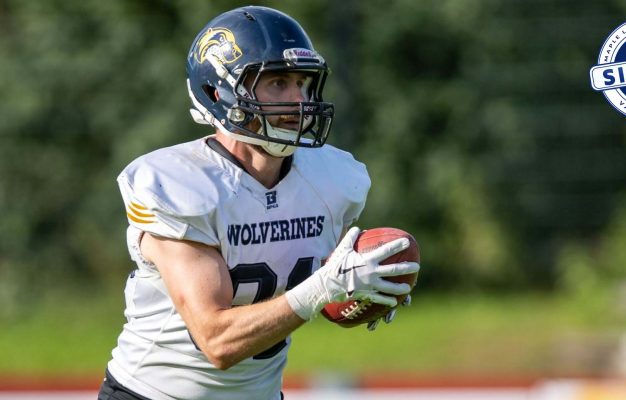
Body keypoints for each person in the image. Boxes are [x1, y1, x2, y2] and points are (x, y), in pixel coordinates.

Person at [98, 6, 420, 400]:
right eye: (278, 83)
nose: (299, 101)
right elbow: (217, 341)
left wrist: (362, 286)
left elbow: (323, 281)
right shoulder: (180, 186)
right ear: (218, 92)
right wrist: (323, 288)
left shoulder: (333, 178)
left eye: (303, 83)